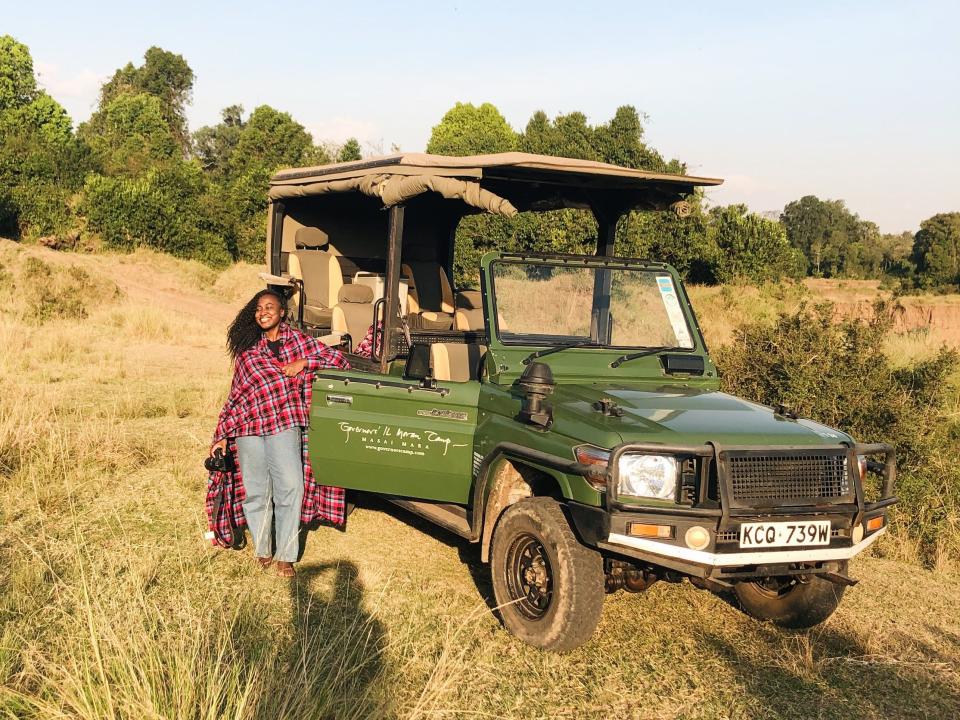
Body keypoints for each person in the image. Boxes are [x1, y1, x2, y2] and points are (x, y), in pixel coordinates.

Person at [209, 289, 349, 577]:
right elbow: (236, 396)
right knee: (256, 492)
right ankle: (262, 547)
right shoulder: (249, 353)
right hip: (248, 428)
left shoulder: (300, 343)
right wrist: (222, 433)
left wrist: (305, 364)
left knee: (290, 487)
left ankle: (285, 553)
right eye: (258, 309)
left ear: (282, 312)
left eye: (269, 307)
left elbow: (339, 361)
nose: (263, 312)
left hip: (284, 423)